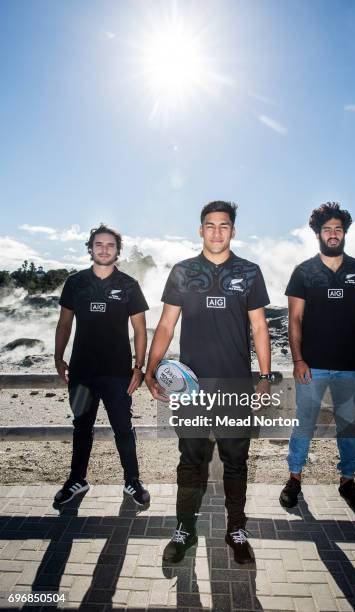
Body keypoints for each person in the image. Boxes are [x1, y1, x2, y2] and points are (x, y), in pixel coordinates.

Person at [145, 201, 272, 564]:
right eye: (210, 225)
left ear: (233, 230)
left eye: (224, 226)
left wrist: (263, 377)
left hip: (234, 386)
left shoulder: (249, 272)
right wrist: (151, 369)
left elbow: (260, 327)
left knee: (236, 460)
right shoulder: (184, 272)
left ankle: (236, 529)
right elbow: (167, 326)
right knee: (190, 460)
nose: (217, 232)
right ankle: (184, 529)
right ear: (200, 230)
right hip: (191, 388)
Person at [280, 202, 355, 513]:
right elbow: (294, 320)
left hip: (350, 366)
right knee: (304, 424)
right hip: (313, 366)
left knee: (347, 426)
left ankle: (347, 480)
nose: (332, 234)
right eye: (327, 230)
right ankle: (294, 477)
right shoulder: (304, 272)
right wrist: (298, 360)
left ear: (344, 232)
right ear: (318, 233)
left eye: (338, 229)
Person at [53, 224, 150, 507]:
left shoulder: (129, 285)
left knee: (123, 427)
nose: (104, 249)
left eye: (110, 245)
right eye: (99, 244)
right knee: (81, 427)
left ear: (117, 251)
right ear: (90, 248)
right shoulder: (75, 282)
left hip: (118, 373)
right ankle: (77, 480)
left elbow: (140, 330)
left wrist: (138, 367)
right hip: (82, 372)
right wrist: (58, 357)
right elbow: (64, 323)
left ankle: (132, 481)